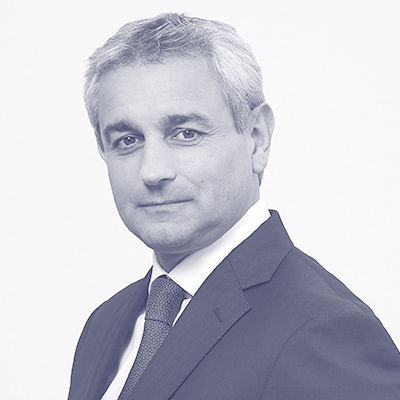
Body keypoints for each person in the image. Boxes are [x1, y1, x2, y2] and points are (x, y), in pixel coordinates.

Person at [68, 13, 400, 400]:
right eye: (127, 140)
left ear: (257, 138)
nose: (152, 171)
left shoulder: (325, 331)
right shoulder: (106, 324)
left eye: (185, 133)